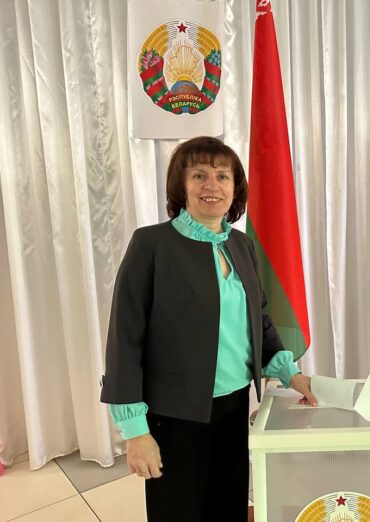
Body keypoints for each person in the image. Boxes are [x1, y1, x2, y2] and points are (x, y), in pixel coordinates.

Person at [100, 136, 317, 521]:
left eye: (222, 176)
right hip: (174, 415)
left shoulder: (241, 245)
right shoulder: (151, 245)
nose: (211, 185)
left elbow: (258, 318)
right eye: (199, 175)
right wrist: (135, 432)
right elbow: (125, 340)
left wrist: (291, 373)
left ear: (235, 188)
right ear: (181, 186)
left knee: (227, 507)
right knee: (179, 513)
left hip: (234, 405)